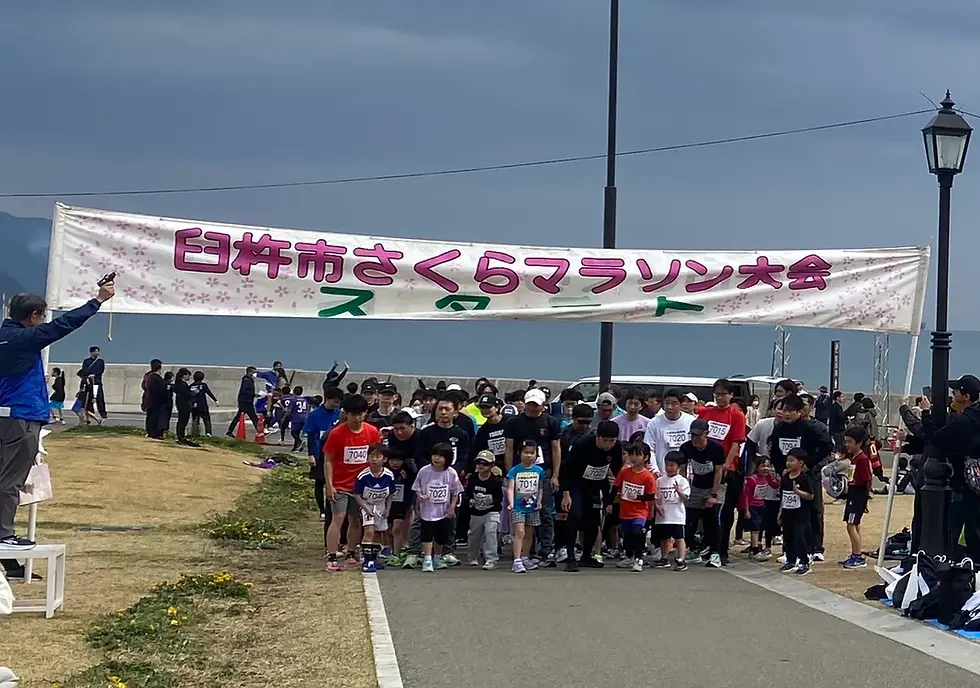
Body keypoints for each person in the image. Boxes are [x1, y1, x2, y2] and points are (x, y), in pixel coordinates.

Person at [0, 279, 113, 559]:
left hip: (7, 413)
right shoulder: (25, 338)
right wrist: (96, 301)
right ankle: (3, 535)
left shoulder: (6, 335)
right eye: (41, 316)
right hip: (21, 416)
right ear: (33, 316)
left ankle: (6, 546)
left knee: (6, 477)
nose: (43, 321)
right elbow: (62, 326)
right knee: (11, 480)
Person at [768, 394, 833, 562]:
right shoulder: (779, 428)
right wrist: (781, 469)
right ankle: (789, 551)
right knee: (789, 512)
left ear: (799, 412)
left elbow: (826, 446)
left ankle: (815, 548)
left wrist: (809, 464)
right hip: (787, 476)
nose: (786, 414)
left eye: (790, 410)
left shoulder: (809, 428)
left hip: (808, 476)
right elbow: (774, 451)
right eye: (783, 409)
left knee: (813, 511)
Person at [323, 394, 381, 572]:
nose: (357, 418)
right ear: (346, 414)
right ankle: (332, 555)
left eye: (361, 414)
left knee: (356, 520)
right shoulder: (336, 434)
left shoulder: (371, 432)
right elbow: (328, 460)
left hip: (361, 487)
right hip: (340, 485)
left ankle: (351, 552)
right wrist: (330, 485)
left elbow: (376, 456)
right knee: (338, 518)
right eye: (353, 414)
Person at [504, 388, 561, 566]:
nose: (532, 408)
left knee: (544, 512)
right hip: (520, 473)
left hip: (544, 472)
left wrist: (555, 475)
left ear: (543, 405)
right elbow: (509, 448)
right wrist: (509, 474)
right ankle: (525, 552)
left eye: (536, 405)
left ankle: (546, 550)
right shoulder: (514, 422)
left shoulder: (551, 422)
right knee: (523, 512)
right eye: (529, 404)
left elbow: (556, 448)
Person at [559, 420, 622, 572]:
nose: (608, 445)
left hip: (596, 484)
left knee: (594, 521)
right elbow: (566, 470)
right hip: (576, 483)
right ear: (597, 437)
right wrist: (566, 494)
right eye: (605, 440)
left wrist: (609, 500)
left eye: (611, 441)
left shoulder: (616, 448)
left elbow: (616, 475)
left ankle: (587, 555)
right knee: (575, 515)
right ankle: (570, 557)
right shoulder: (582, 445)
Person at [698, 378, 746, 566]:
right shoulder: (706, 413)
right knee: (707, 512)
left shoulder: (736, 415)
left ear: (731, 395)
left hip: (728, 469)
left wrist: (727, 464)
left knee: (725, 512)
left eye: (724, 394)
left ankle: (722, 550)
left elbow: (736, 442)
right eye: (717, 394)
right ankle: (708, 546)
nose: (720, 398)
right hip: (706, 469)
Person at [680, 419, 727, 567]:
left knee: (713, 519)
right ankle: (693, 549)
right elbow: (682, 468)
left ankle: (715, 553)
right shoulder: (686, 447)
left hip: (715, 485)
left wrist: (713, 495)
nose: (695, 438)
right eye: (693, 435)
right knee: (689, 520)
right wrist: (684, 487)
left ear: (706, 434)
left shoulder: (716, 448)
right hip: (696, 486)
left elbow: (719, 471)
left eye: (698, 435)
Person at [414, 442, 463, 572]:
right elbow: (417, 487)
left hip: (443, 510)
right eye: (435, 455)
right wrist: (420, 496)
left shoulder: (451, 473)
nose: (437, 458)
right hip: (427, 510)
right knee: (427, 535)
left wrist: (452, 507)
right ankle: (427, 559)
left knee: (441, 536)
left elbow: (456, 491)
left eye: (441, 456)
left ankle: (437, 557)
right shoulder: (424, 471)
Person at [612, 442, 658, 571]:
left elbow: (651, 496)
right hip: (625, 510)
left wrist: (638, 497)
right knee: (627, 535)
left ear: (646, 458)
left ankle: (639, 558)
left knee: (637, 532)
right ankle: (629, 556)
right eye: (632, 454)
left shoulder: (648, 477)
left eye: (638, 455)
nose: (634, 458)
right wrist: (609, 503)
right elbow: (615, 487)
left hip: (640, 511)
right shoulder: (624, 472)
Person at [352, 444, 396, 573]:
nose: (374, 459)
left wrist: (388, 508)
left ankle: (374, 558)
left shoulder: (389, 475)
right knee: (369, 530)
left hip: (381, 504)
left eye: (377, 456)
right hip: (367, 504)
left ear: (384, 459)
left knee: (378, 532)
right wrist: (365, 507)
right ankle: (367, 560)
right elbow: (356, 494)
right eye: (371, 456)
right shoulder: (363, 476)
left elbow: (391, 494)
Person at [506, 440, 546, 574]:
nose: (529, 455)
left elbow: (540, 488)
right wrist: (510, 502)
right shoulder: (514, 470)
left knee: (529, 534)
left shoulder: (539, 471)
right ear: (520, 453)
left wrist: (539, 501)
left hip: (532, 506)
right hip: (518, 506)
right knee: (520, 532)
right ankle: (516, 560)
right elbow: (510, 488)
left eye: (532, 453)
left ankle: (525, 557)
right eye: (526, 453)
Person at [305, 387, 343, 522]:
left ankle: (331, 508)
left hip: (335, 454)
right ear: (328, 399)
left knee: (333, 482)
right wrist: (311, 454)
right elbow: (310, 435)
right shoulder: (314, 415)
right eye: (335, 401)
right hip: (318, 453)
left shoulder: (339, 415)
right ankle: (322, 510)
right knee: (320, 482)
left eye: (339, 402)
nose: (337, 405)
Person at [465, 450, 504, 569]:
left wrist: (490, 501)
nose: (481, 466)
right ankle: (472, 556)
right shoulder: (473, 478)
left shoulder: (495, 481)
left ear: (492, 465)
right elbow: (468, 492)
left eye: (485, 463)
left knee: (490, 533)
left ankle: (491, 559)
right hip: (476, 511)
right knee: (474, 535)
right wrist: (471, 500)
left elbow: (500, 497)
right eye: (478, 463)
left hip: (492, 511)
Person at [840, 426, 872, 569]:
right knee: (854, 524)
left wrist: (865, 498)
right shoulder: (853, 458)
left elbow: (867, 479)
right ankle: (855, 553)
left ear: (858, 443)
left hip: (858, 494)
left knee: (851, 525)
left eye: (850, 442)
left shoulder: (862, 459)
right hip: (853, 493)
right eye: (846, 442)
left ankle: (857, 556)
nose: (847, 445)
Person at [779, 447, 814, 576]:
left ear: (801, 463)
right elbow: (782, 495)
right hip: (787, 512)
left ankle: (804, 561)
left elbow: (811, 496)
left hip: (801, 513)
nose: (788, 463)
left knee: (799, 536)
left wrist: (798, 492)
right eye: (787, 460)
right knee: (787, 536)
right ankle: (790, 559)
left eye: (792, 461)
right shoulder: (785, 478)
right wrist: (780, 512)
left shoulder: (804, 478)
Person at [654, 450, 691, 571]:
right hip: (663, 515)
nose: (669, 468)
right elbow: (656, 496)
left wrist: (678, 491)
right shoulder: (660, 481)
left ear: (678, 467)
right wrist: (657, 506)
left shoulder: (682, 480)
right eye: (667, 465)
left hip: (677, 516)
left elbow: (685, 497)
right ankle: (664, 558)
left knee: (679, 538)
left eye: (672, 465)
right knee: (664, 538)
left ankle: (681, 559)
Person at [643, 388, 694, 475]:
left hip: (685, 474)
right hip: (661, 473)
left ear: (681, 405)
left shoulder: (691, 421)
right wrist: (655, 470)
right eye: (667, 403)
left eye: (674, 404)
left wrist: (690, 471)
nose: (669, 407)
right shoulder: (654, 423)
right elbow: (649, 448)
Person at [384, 448, 417, 566]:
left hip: (401, 504)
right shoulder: (386, 472)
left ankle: (396, 554)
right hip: (388, 504)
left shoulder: (407, 472)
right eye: (392, 460)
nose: (395, 463)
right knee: (388, 530)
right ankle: (392, 551)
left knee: (396, 528)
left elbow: (413, 486)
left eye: (398, 460)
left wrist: (410, 504)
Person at [739, 457, 775, 559]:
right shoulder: (752, 479)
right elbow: (745, 495)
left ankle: (755, 548)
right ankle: (755, 550)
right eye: (763, 466)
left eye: (768, 466)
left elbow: (775, 485)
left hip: (761, 506)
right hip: (752, 507)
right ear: (757, 467)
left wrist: (775, 478)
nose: (766, 469)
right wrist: (746, 509)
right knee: (754, 529)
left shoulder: (767, 478)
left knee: (760, 527)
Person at [471, 394, 509, 469]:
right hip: (494, 468)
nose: (485, 410)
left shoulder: (509, 421)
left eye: (488, 407)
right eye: (482, 407)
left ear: (497, 408)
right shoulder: (482, 431)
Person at [226, 366, 260, 438]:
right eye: (254, 372)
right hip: (246, 402)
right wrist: (254, 394)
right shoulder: (247, 380)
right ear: (249, 372)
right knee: (253, 417)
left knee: (239, 417)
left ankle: (229, 431)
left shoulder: (249, 380)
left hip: (246, 401)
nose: (254, 374)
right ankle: (260, 431)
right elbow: (245, 391)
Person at [173, 368, 199, 447]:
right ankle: (181, 437)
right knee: (183, 421)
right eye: (188, 375)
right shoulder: (182, 384)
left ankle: (180, 436)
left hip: (180, 403)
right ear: (184, 375)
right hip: (183, 404)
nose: (189, 377)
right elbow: (186, 394)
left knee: (181, 421)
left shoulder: (178, 383)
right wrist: (193, 393)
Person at [142, 359, 167, 439]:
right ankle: (153, 433)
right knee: (154, 417)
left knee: (149, 416)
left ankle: (149, 432)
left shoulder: (147, 375)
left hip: (147, 398)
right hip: (155, 400)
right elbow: (162, 389)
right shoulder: (156, 377)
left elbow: (143, 386)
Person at [81, 345, 107, 421]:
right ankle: (89, 414)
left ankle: (103, 413)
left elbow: (101, 370)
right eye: (95, 351)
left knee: (100, 397)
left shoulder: (100, 361)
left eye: (97, 351)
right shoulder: (86, 361)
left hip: (97, 382)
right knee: (88, 398)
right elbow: (84, 370)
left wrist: (95, 375)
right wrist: (88, 375)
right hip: (89, 382)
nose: (97, 353)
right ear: (91, 352)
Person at [189, 370, 218, 437]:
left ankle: (195, 432)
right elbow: (209, 393)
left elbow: (189, 396)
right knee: (206, 419)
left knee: (195, 419)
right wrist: (215, 400)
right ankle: (208, 433)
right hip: (203, 405)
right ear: (202, 378)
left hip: (194, 406)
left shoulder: (191, 386)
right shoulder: (203, 385)